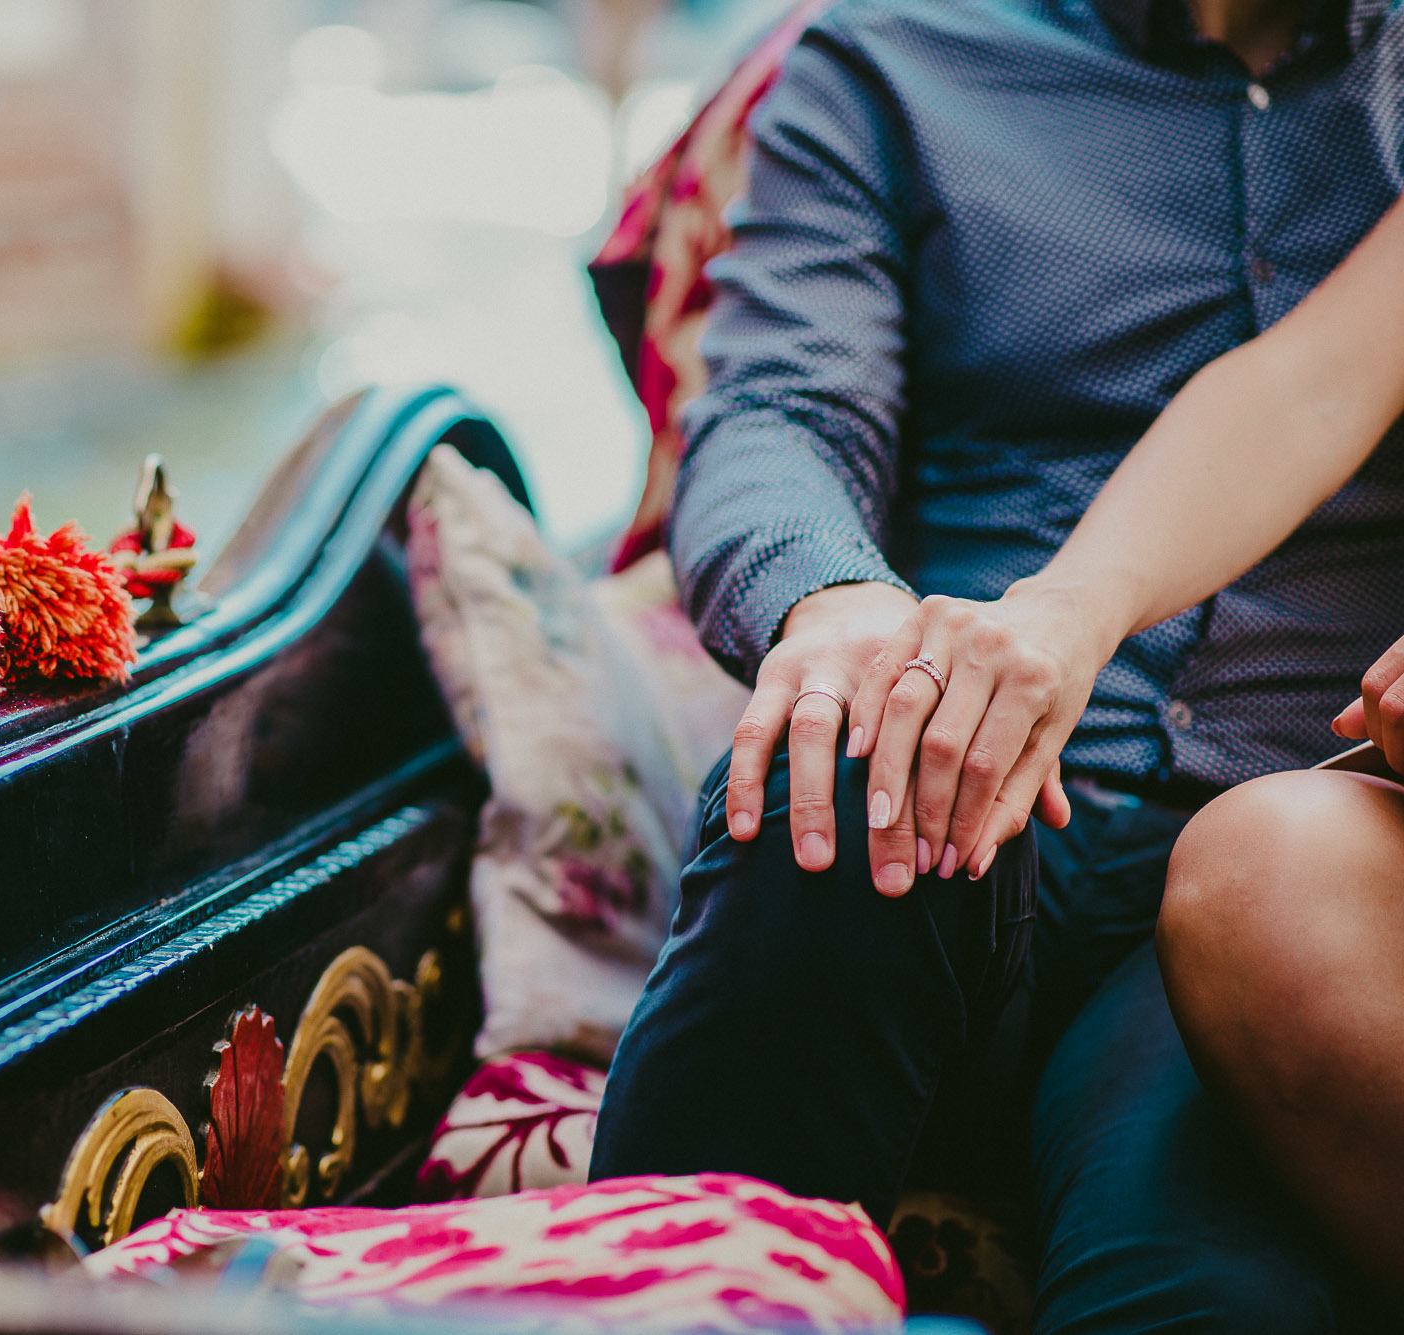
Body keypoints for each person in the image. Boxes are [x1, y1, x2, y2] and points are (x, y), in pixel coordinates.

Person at [586, 0, 1404, 1327]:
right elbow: (778, 406)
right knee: (851, 750)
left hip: (1293, 868)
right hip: (957, 802)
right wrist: (833, 602)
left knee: (1202, 1288)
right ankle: (651, 1289)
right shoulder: (888, 55)